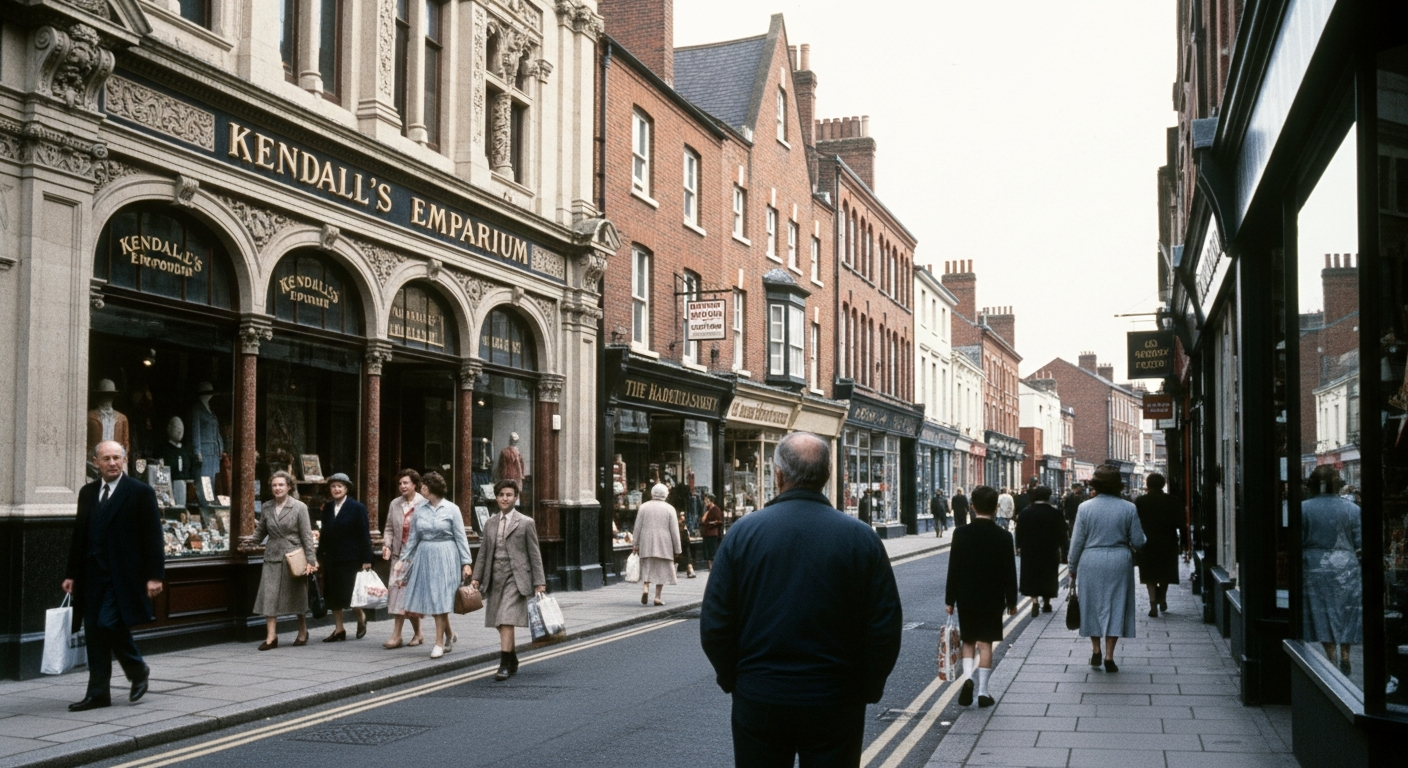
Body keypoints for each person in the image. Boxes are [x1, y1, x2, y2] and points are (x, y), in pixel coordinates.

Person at [701, 432, 902, 766]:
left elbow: (715, 622)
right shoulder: (861, 538)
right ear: (825, 476)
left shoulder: (742, 534)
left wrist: (735, 680)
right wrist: (868, 686)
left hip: (760, 697)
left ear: (778, 474)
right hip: (835, 699)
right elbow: (884, 625)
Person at [63, 440, 165, 711]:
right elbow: (79, 535)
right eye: (106, 458)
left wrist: (155, 576)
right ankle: (98, 694)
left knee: (108, 624)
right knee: (94, 632)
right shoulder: (87, 492)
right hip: (91, 575)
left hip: (124, 575)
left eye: (117, 458)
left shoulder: (140, 492)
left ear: (125, 460)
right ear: (96, 462)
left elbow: (154, 537)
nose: (112, 463)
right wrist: (71, 574)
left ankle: (137, 669)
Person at [1068, 464, 1147, 673]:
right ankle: (1110, 656)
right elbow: (1139, 541)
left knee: (1091, 605)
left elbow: (1076, 542)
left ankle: (1096, 650)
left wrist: (1072, 567)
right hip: (1119, 561)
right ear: (1117, 486)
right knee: (1116, 606)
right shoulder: (1129, 508)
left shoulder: (1084, 508)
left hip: (1090, 560)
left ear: (1096, 485)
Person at [945, 485, 1017, 708]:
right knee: (985, 643)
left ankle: (967, 679)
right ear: (996, 507)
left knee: (968, 641)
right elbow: (1009, 572)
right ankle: (983, 691)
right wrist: (1012, 601)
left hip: (967, 597)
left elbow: (954, 568)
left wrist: (950, 599)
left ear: (972, 507)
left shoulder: (961, 533)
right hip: (992, 599)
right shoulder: (1004, 536)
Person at [470, 479, 546, 681]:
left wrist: (539, 582)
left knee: (505, 618)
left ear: (516, 497)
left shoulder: (526, 522)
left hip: (516, 577)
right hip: (494, 577)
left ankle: (504, 664)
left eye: (509, 495)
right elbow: (484, 553)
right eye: (501, 495)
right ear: (496, 497)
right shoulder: (490, 523)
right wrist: (476, 578)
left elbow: (535, 554)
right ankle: (512, 658)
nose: (505, 498)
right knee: (498, 621)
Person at [398, 471, 474, 659]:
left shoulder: (452, 509)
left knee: (440, 598)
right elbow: (413, 538)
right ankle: (450, 635)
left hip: (446, 555)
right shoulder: (420, 509)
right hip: (425, 556)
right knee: (434, 599)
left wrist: (466, 563)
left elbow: (460, 537)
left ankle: (439, 643)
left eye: (424, 486)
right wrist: (403, 559)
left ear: (432, 488)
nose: (421, 488)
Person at [1302, 466, 1363, 674]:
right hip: (1347, 567)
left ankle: (1331, 655)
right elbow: (1360, 542)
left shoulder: (1303, 509)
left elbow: (1298, 540)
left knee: (1321, 613)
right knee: (1346, 612)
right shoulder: (1353, 510)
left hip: (1316, 566)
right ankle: (1345, 654)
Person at [250, 470, 317, 649]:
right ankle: (271, 637)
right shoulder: (267, 507)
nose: (277, 488)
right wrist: (249, 543)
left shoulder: (299, 507)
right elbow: (260, 531)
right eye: (274, 485)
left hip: (293, 557)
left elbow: (307, 536)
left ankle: (302, 630)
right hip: (272, 556)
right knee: (269, 597)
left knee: (296, 596)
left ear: (289, 487)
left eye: (281, 485)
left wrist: (311, 561)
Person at [315, 473, 373, 642]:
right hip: (331, 557)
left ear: (346, 488)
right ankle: (339, 629)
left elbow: (364, 535)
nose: (336, 489)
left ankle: (360, 615)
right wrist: (319, 557)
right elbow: (324, 534)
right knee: (332, 594)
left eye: (340, 486)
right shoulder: (327, 508)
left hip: (351, 558)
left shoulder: (357, 508)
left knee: (350, 592)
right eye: (333, 486)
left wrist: (367, 559)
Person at [381, 469, 425, 649]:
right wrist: (386, 545)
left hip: (417, 557)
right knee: (397, 595)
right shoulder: (395, 504)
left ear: (415, 484)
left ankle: (418, 633)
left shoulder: (424, 503)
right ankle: (397, 635)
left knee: (410, 597)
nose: (402, 486)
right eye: (400, 483)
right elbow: (389, 528)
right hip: (399, 558)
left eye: (406, 483)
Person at [1134, 473, 1182, 617]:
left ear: (1148, 485)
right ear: (1162, 484)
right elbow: (1180, 522)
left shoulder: (1140, 501)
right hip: (1168, 542)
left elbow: (1135, 524)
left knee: (1149, 574)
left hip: (1147, 543)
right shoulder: (1172, 500)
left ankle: (1153, 603)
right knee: (1164, 572)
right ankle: (1163, 598)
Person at [1014, 485, 1064, 616]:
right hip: (1049, 550)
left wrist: (1018, 546)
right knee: (1048, 575)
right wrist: (1063, 551)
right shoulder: (1055, 513)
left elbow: (1019, 532)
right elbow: (1063, 534)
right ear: (1048, 497)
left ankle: (1035, 601)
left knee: (1032, 575)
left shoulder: (1025, 512)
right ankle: (1046, 602)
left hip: (1030, 550)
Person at [633, 484, 682, 606]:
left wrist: (635, 544)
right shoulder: (670, 508)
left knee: (647, 567)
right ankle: (657, 597)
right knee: (662, 571)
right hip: (664, 543)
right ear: (665, 494)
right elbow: (674, 531)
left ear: (652, 493)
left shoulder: (644, 507)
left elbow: (637, 527)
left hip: (646, 542)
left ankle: (645, 588)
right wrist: (677, 549)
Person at [667, 484, 696, 578]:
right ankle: (690, 568)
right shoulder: (687, 501)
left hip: (674, 529)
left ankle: (673, 569)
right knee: (686, 549)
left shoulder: (671, 503)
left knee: (674, 549)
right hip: (683, 530)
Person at [700, 492, 724, 569]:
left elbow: (719, 521)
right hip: (706, 533)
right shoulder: (707, 509)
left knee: (712, 551)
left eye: (706, 500)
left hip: (712, 533)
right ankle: (710, 566)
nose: (705, 502)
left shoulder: (716, 509)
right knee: (708, 552)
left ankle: (714, 566)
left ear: (711, 501)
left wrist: (710, 523)